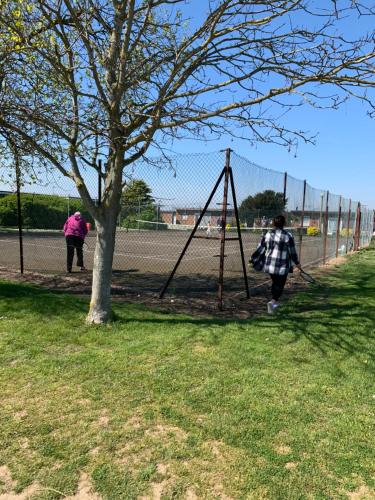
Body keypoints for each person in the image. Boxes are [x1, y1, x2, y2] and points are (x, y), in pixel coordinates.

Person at [250, 214, 301, 314]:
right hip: (282, 267)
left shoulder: (268, 234)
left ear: (273, 223)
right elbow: (292, 252)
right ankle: (273, 303)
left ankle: (274, 303)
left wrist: (253, 258)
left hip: (270, 266)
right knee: (279, 286)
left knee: (275, 283)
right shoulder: (288, 236)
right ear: (284, 223)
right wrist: (297, 263)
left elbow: (260, 249)